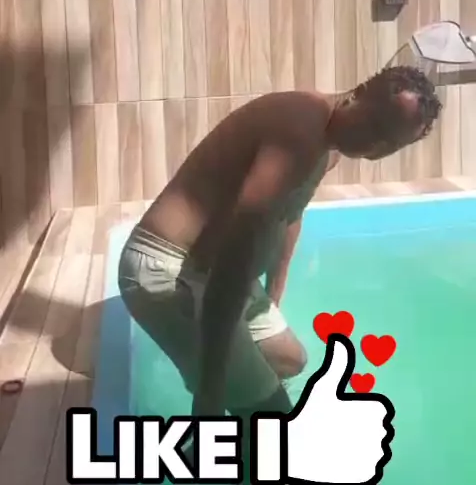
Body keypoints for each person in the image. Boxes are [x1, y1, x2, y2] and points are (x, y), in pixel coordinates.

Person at [118, 65, 442, 427]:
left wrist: (272, 293)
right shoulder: (301, 128)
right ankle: (208, 440)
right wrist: (210, 389)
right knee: (274, 424)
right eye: (376, 126)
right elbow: (236, 252)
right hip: (168, 271)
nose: (375, 146)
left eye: (391, 144)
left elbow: (291, 213)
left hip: (214, 275)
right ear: (358, 93)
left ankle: (232, 403)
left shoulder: (330, 146)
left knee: (289, 360)